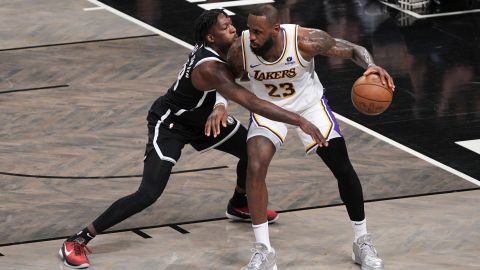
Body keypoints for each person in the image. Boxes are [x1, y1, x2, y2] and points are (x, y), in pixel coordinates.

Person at [58, 9, 326, 269]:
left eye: (232, 23)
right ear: (210, 38)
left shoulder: (229, 50)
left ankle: (239, 203)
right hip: (171, 123)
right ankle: (79, 239)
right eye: (225, 27)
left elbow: (239, 75)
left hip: (203, 120)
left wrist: (220, 107)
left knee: (250, 151)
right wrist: (299, 119)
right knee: (148, 193)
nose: (234, 28)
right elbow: (251, 100)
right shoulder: (209, 66)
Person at [222, 4, 395, 270]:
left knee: (342, 166)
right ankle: (263, 251)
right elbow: (225, 77)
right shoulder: (241, 48)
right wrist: (220, 105)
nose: (252, 37)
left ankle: (362, 241)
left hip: (309, 107)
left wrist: (371, 65)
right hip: (268, 111)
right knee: (255, 167)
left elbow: (351, 49)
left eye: (258, 32)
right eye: (250, 30)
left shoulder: (304, 40)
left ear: (276, 30)